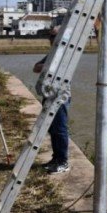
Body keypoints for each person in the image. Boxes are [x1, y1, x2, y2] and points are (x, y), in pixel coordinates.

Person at [33, 26, 70, 174]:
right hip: (48, 94)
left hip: (60, 97)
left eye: (54, 37)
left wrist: (46, 67)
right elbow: (35, 68)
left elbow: (51, 69)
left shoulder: (65, 54)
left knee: (60, 129)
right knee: (53, 129)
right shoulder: (53, 54)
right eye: (50, 36)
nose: (51, 40)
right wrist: (48, 66)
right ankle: (56, 159)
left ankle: (63, 162)